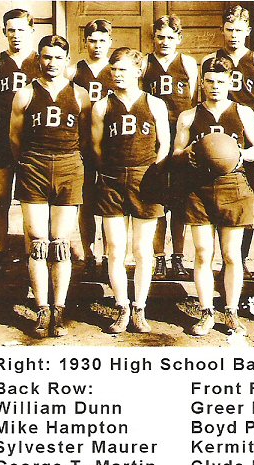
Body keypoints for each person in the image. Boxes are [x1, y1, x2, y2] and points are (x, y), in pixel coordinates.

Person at [173, 57, 254, 336]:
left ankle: (231, 311)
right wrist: (188, 154)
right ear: (202, 83)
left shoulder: (242, 112)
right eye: (210, 81)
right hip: (199, 188)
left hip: (233, 186)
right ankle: (206, 312)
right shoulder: (189, 116)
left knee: (231, 255)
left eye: (221, 82)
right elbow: (176, 153)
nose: (215, 86)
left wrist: (239, 156)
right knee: (202, 253)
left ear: (229, 83)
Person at [10, 35, 91, 339]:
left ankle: (60, 308)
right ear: (39, 59)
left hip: (69, 165)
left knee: (60, 241)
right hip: (34, 166)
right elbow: (15, 138)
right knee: (37, 239)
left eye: (58, 57)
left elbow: (85, 136)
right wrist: (31, 163)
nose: (51, 63)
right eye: (46, 57)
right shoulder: (25, 94)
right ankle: (41, 308)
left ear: (67, 60)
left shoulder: (80, 95)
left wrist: (72, 161)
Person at [91, 47, 171, 334]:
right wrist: (110, 172)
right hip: (112, 180)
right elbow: (97, 147)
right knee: (114, 248)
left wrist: (153, 174)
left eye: (123, 70)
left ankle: (139, 307)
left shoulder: (155, 104)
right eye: (113, 70)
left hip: (145, 181)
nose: (117, 75)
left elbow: (164, 146)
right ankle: (121, 306)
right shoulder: (102, 106)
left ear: (138, 71)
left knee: (141, 248)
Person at [202, 5, 254, 279]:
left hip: (245, 134)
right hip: (218, 136)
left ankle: (239, 259)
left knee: (245, 200)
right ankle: (215, 259)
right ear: (222, 30)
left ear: (248, 32)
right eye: (229, 30)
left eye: (239, 31)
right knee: (213, 196)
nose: (234, 36)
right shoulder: (211, 59)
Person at [0, 9, 39, 281]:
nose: (16, 35)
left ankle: (32, 260)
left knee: (31, 201)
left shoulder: (41, 62)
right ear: (4, 31)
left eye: (21, 29)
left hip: (32, 138)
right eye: (11, 29)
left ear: (31, 31)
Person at [142, 14, 198, 281]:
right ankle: (159, 258)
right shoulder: (144, 64)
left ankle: (178, 256)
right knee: (157, 200)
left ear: (179, 38)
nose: (164, 42)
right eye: (160, 37)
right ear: (153, 38)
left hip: (180, 138)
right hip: (154, 138)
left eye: (170, 37)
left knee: (179, 201)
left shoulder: (187, 63)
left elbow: (195, 99)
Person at [69, 19, 113, 281]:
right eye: (92, 41)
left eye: (101, 41)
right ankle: (89, 254)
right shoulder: (74, 70)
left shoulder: (116, 69)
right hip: (83, 141)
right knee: (85, 201)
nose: (96, 46)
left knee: (109, 202)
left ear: (110, 42)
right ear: (84, 42)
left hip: (111, 142)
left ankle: (110, 256)